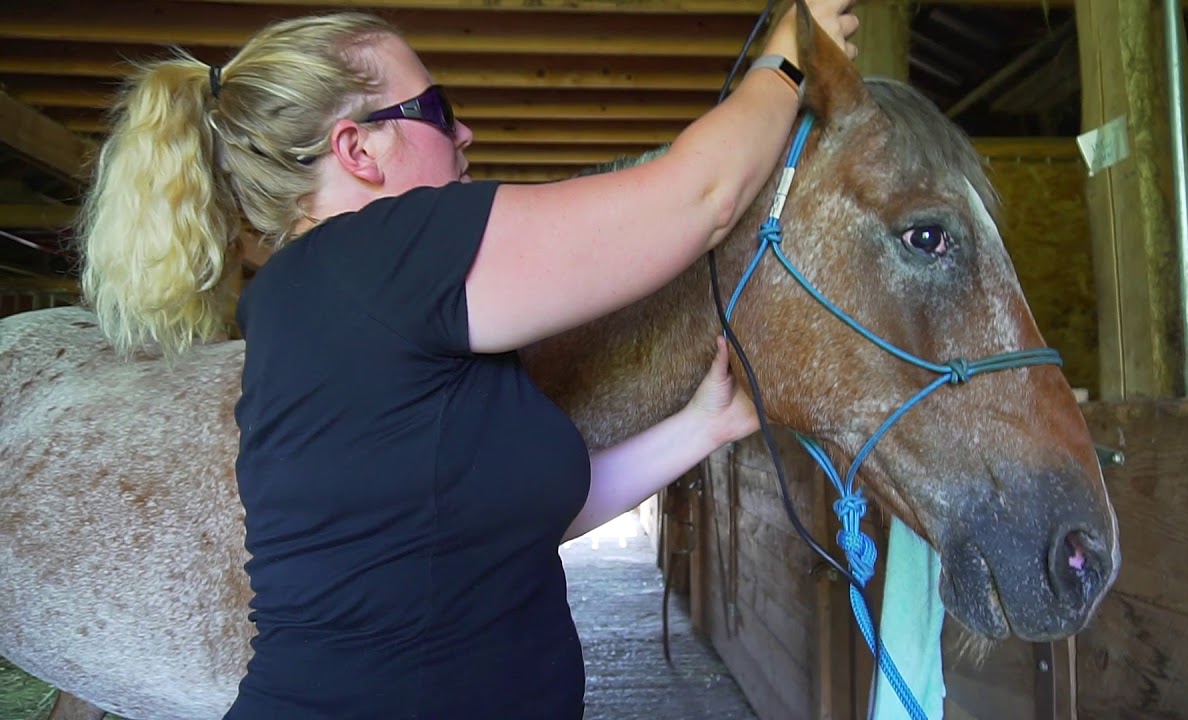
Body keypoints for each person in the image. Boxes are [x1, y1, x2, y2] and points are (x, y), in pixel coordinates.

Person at [74, 0, 860, 716]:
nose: (464, 134)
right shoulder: (389, 253)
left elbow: (498, 530)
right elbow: (702, 198)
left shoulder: (314, 300)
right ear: (358, 149)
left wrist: (704, 428)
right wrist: (789, 56)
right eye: (436, 110)